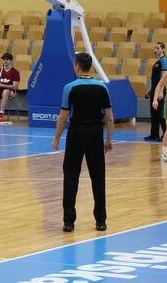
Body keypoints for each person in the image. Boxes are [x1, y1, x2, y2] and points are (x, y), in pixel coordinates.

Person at [51, 52, 114, 233]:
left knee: (71, 178)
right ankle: (101, 221)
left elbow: (63, 117)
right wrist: (109, 139)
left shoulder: (69, 87)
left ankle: (68, 222)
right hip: (95, 134)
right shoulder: (102, 87)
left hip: (76, 134)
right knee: (98, 178)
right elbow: (109, 117)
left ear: (77, 66)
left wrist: (56, 139)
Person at [144, 42, 167, 141]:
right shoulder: (157, 61)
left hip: (159, 91)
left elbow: (164, 77)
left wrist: (161, 92)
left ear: (163, 50)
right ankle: (154, 134)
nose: (156, 49)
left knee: (160, 114)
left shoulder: (164, 60)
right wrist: (150, 89)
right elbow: (154, 78)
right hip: (154, 90)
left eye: (158, 48)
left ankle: (166, 135)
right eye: (155, 47)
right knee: (153, 114)